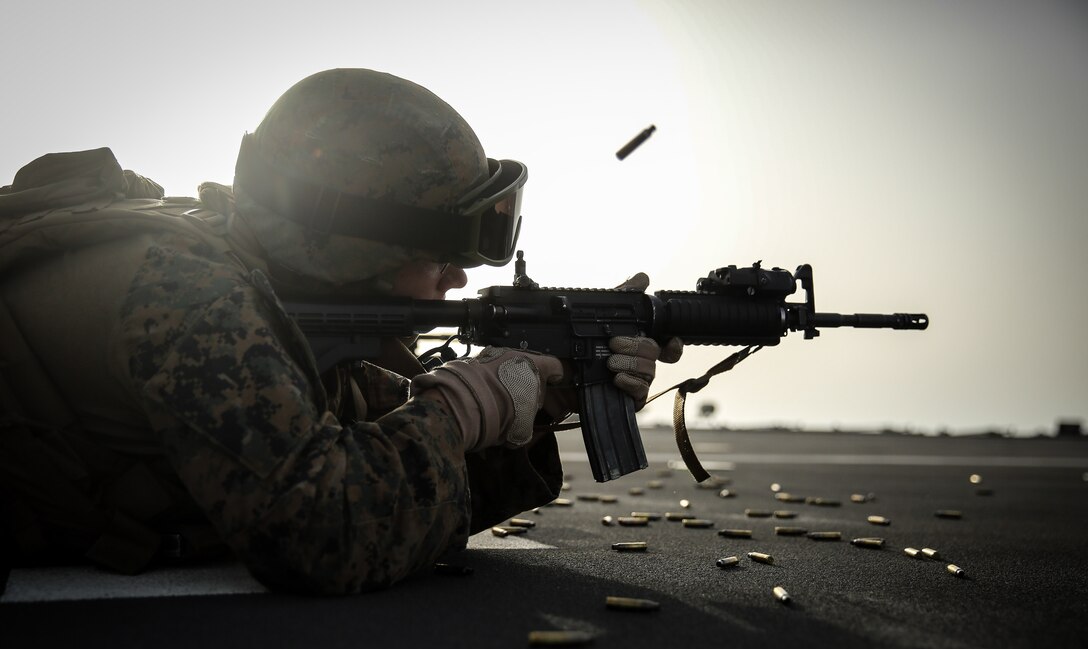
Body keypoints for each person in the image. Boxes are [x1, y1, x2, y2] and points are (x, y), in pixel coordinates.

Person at [0, 68, 680, 594]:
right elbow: (324, 533)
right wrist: (471, 402)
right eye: (441, 258)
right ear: (359, 249)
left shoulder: (277, 291)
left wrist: (535, 404)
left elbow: (383, 474)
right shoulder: (195, 299)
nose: (456, 283)